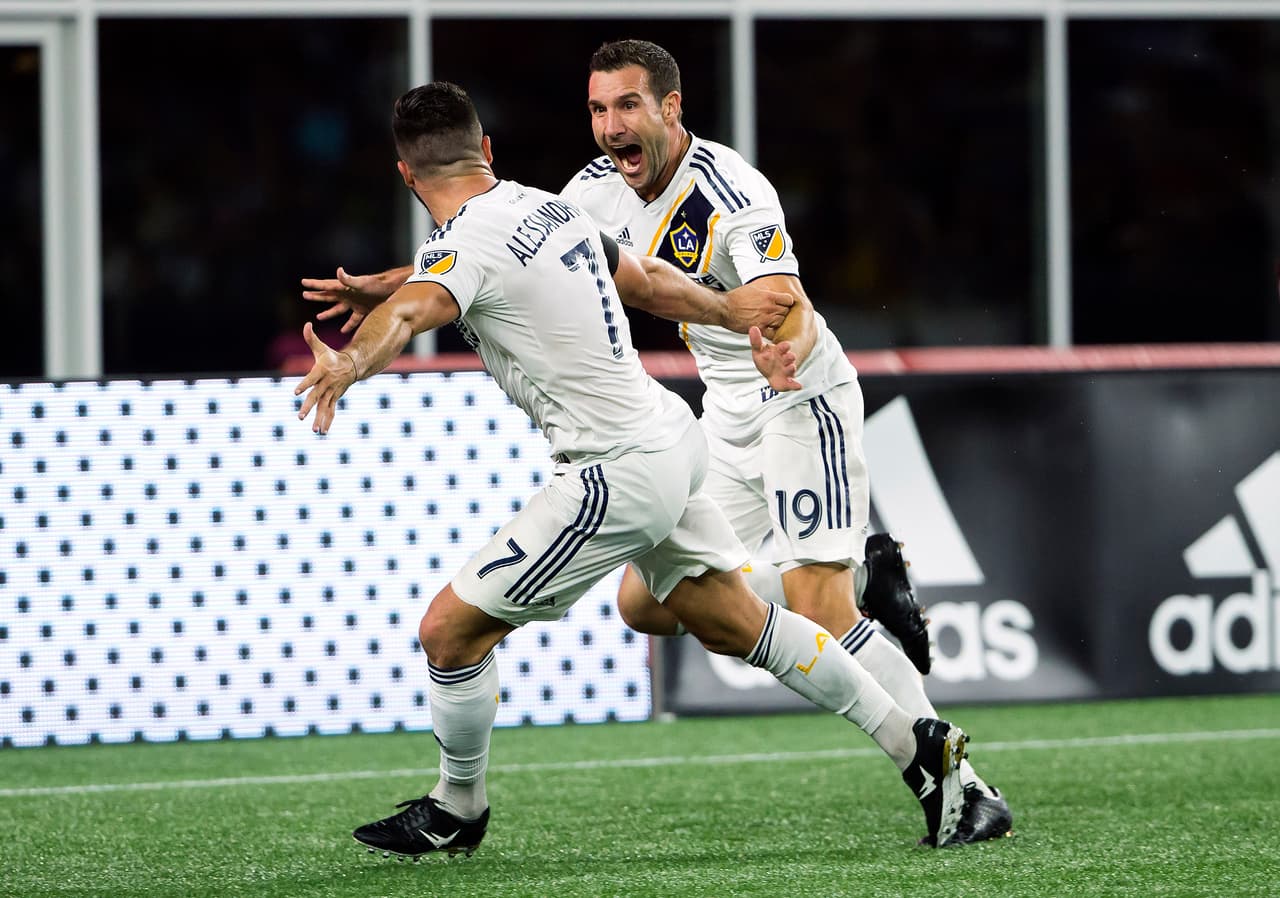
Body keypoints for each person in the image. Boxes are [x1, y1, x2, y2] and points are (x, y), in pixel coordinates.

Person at [296, 81, 974, 860]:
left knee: (447, 633)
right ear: (487, 151)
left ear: (406, 176)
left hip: (613, 474)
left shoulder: (469, 243)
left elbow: (420, 307)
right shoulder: (545, 206)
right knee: (734, 621)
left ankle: (457, 808)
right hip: (671, 436)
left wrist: (348, 362)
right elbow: (642, 279)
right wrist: (726, 311)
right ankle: (921, 750)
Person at [556, 39, 1012, 845]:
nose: (610, 126)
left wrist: (778, 343)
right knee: (646, 604)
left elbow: (782, 296)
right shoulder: (592, 192)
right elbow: (532, 253)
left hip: (801, 399)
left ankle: (968, 791)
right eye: (598, 109)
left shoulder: (732, 189)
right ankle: (867, 575)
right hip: (722, 422)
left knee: (817, 609)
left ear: (671, 108)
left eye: (627, 106)